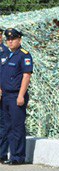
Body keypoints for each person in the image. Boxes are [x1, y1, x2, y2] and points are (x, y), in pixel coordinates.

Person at [0, 28, 33, 164]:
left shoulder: (24, 55)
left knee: (17, 127)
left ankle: (18, 157)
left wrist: (21, 95)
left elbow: (26, 76)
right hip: (6, 96)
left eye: (13, 39)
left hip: (16, 96)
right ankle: (10, 155)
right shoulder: (8, 55)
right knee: (7, 126)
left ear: (19, 39)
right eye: (8, 39)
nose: (10, 41)